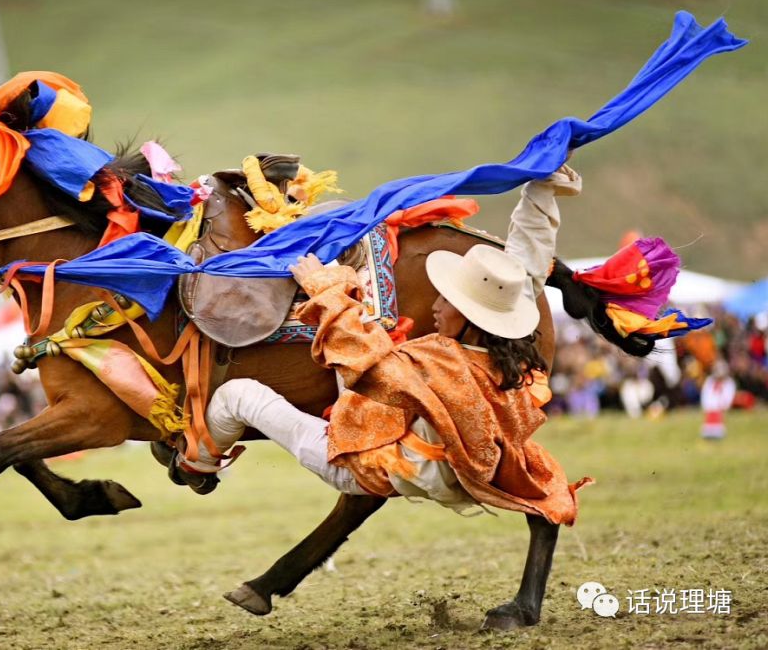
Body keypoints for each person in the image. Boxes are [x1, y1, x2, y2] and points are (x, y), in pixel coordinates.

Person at [168, 164, 590, 526]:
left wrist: (327, 289)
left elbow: (373, 367)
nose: (437, 304)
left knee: (237, 396)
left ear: (471, 318)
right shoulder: (508, 352)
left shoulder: (442, 365)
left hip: (379, 466)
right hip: (434, 457)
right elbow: (528, 263)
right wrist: (541, 191)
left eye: (448, 300)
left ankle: (196, 464)